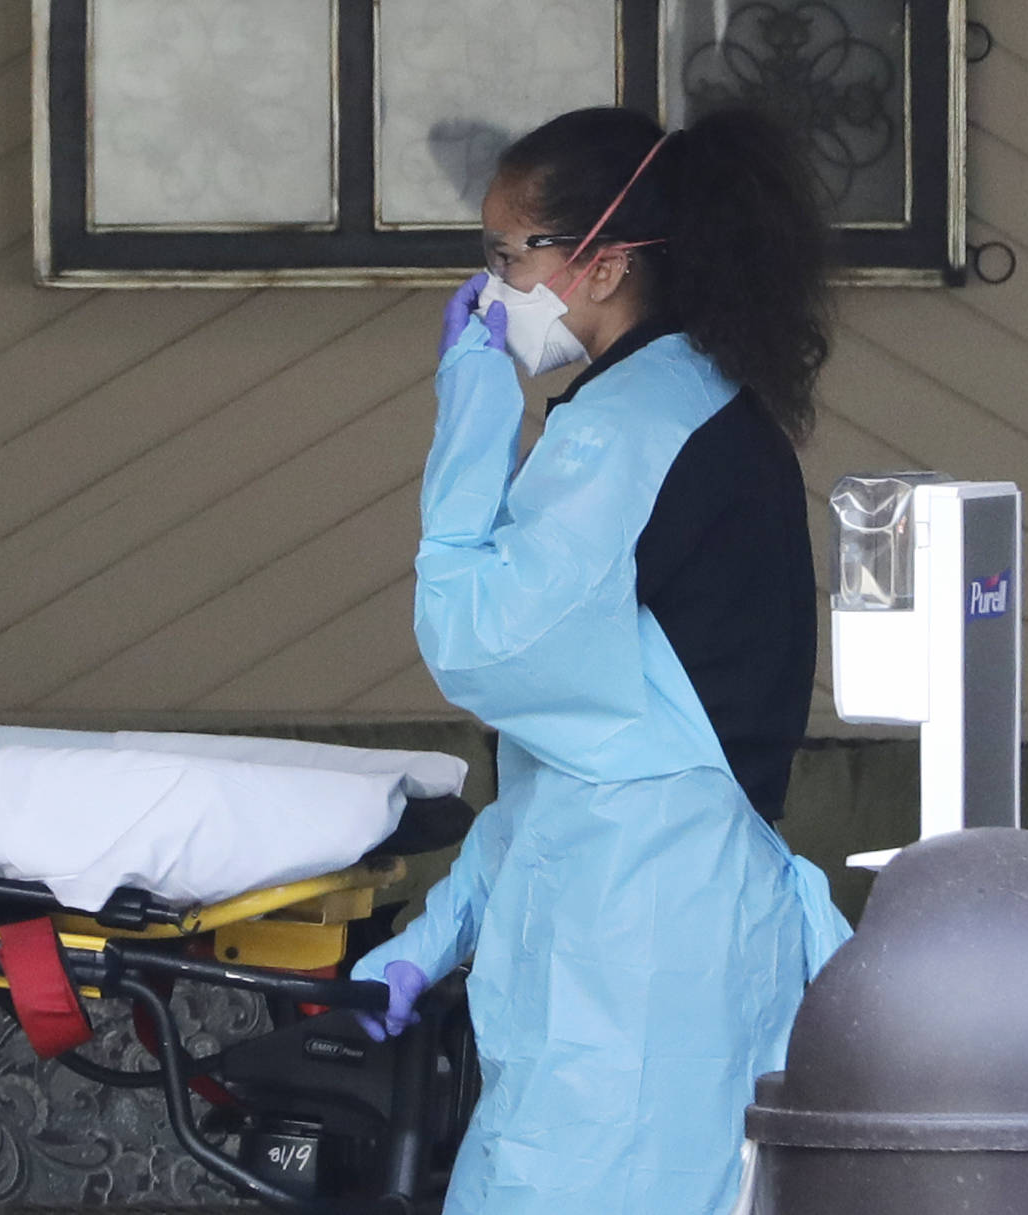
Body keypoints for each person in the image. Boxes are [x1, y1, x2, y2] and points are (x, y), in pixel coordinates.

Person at [350, 106, 854, 1215]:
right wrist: (436, 932)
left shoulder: (630, 431)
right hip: (632, 922)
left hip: (635, 952)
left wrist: (472, 400)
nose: (490, 287)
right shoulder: (670, 408)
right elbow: (571, 760)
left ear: (605, 260)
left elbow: (480, 641)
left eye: (505, 255)